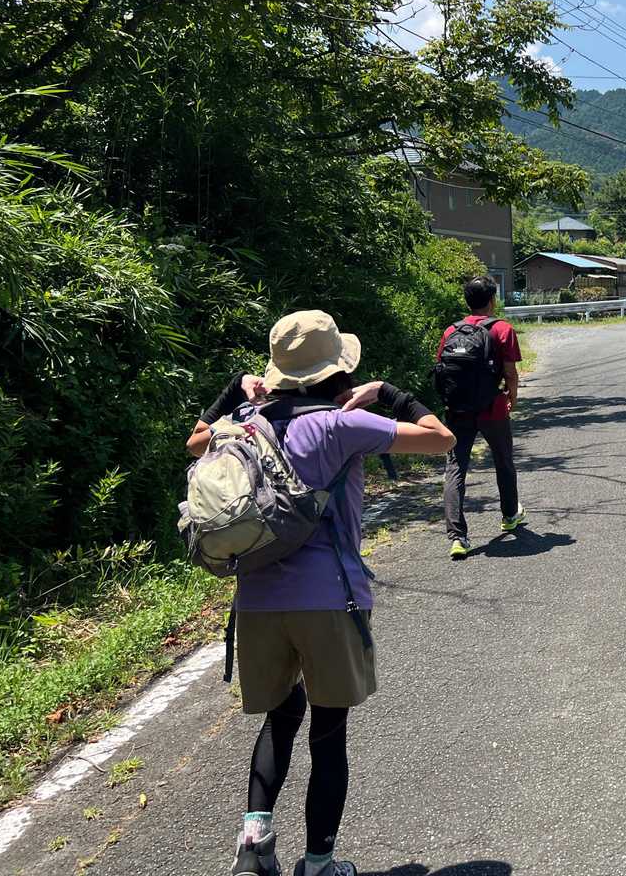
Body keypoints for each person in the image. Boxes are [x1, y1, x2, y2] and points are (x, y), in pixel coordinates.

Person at [186, 310, 455, 876]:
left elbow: (193, 443)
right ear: (336, 370)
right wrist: (388, 394)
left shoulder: (242, 424)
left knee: (281, 716)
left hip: (257, 601)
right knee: (329, 734)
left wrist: (233, 391)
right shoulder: (340, 424)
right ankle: (318, 864)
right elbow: (441, 438)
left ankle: (254, 842)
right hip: (330, 599)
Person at [436, 275, 524, 558]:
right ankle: (509, 515)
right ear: (492, 300)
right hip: (492, 409)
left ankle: (457, 538)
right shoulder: (502, 329)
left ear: (467, 302)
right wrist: (512, 396)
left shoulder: (451, 331)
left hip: (457, 410)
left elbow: (443, 371)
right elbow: (510, 372)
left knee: (455, 467)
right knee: (503, 460)